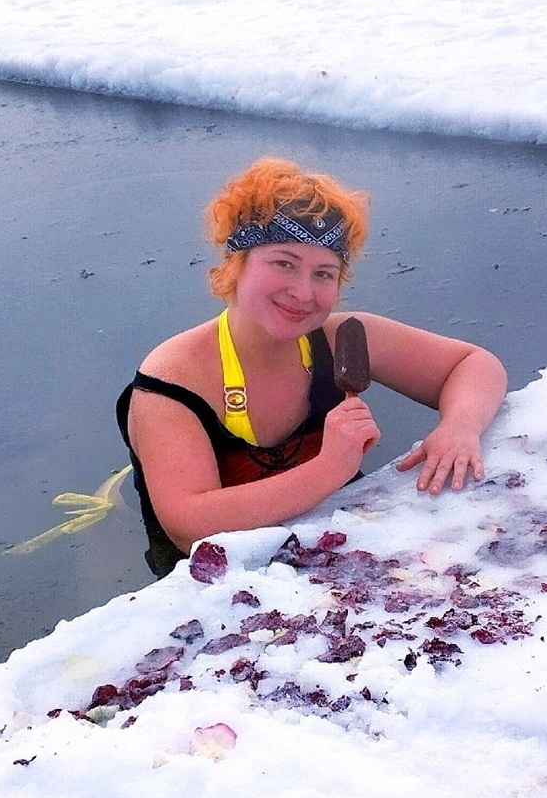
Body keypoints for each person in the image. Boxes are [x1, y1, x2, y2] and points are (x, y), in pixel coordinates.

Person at [116, 158, 507, 574]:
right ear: (236, 262)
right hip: (215, 596)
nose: (303, 292)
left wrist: (459, 427)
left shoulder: (341, 340)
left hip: (340, 566)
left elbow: (474, 364)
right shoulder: (173, 379)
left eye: (324, 273)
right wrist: (328, 470)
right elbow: (188, 525)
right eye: (283, 263)